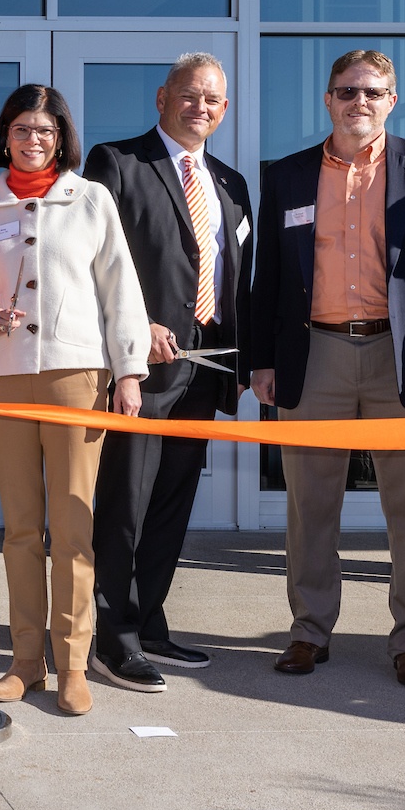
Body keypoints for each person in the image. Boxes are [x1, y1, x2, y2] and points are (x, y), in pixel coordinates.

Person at [248, 49, 405, 688]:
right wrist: (260, 360)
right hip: (313, 353)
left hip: (402, 356)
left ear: (392, 100)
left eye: (373, 92)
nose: (360, 102)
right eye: (347, 91)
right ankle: (309, 631)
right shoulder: (289, 175)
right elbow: (266, 276)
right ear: (327, 99)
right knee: (309, 503)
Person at [0, 84, 146, 718]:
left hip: (77, 375)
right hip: (3, 378)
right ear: (5, 135)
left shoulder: (91, 200)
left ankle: (74, 664)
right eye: (24, 129)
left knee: (75, 526)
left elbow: (120, 290)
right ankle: (25, 661)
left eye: (47, 131)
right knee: (22, 529)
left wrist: (130, 371)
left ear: (62, 139)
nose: (35, 140)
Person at [82, 53, 254, 694]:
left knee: (172, 504)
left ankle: (148, 621)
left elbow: (238, 274)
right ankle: (112, 639)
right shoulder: (116, 163)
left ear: (225, 110)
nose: (200, 108)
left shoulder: (231, 184)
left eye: (212, 100)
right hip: (141, 367)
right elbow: (96, 261)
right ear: (162, 97)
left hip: (206, 369)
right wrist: (136, 327)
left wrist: (239, 358)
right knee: (124, 504)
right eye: (189, 95)